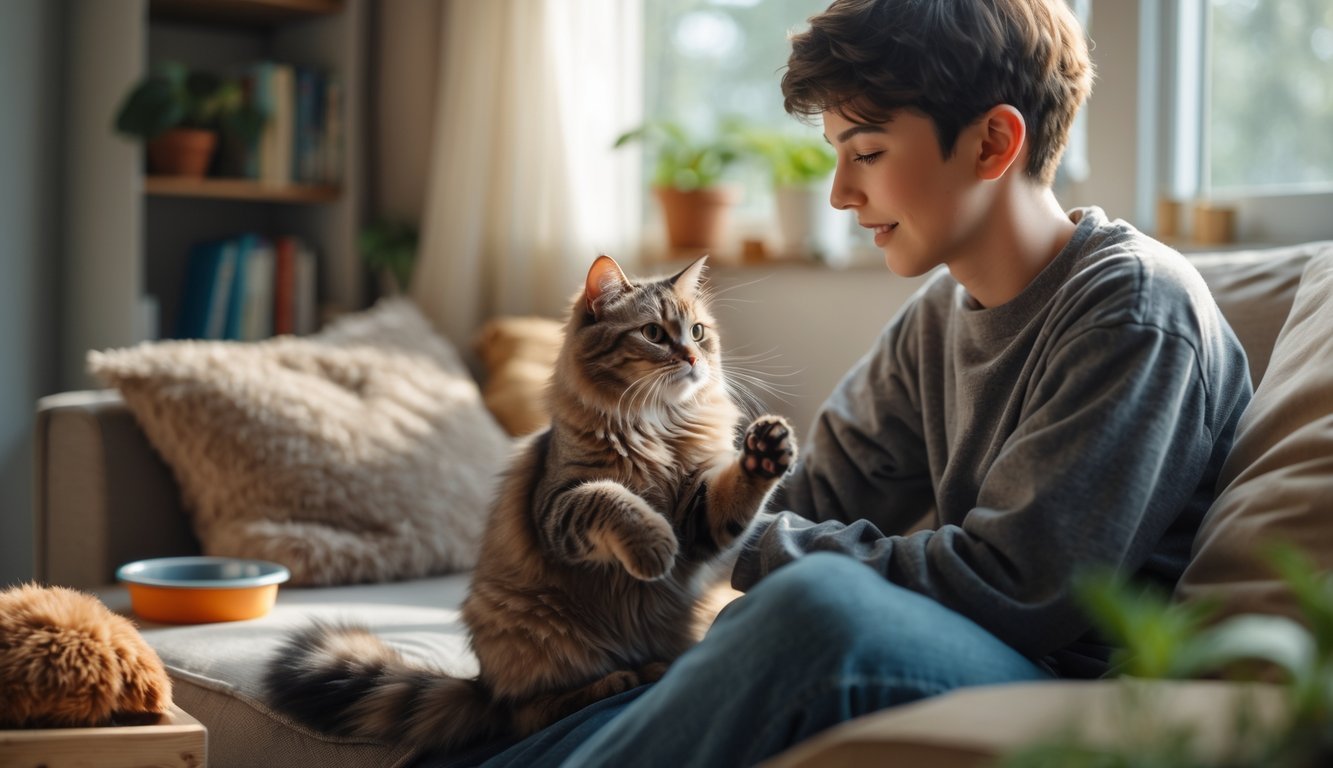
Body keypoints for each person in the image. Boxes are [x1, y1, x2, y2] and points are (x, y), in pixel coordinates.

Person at [428, 0, 1253, 765]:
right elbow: (808, 501)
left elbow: (1021, 590)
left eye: (866, 152)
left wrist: (726, 536)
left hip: (1071, 688)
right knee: (731, 628)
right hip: (974, 649)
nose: (840, 193)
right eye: (836, 155)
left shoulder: (1134, 310)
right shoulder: (938, 315)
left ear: (992, 144)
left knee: (814, 610)